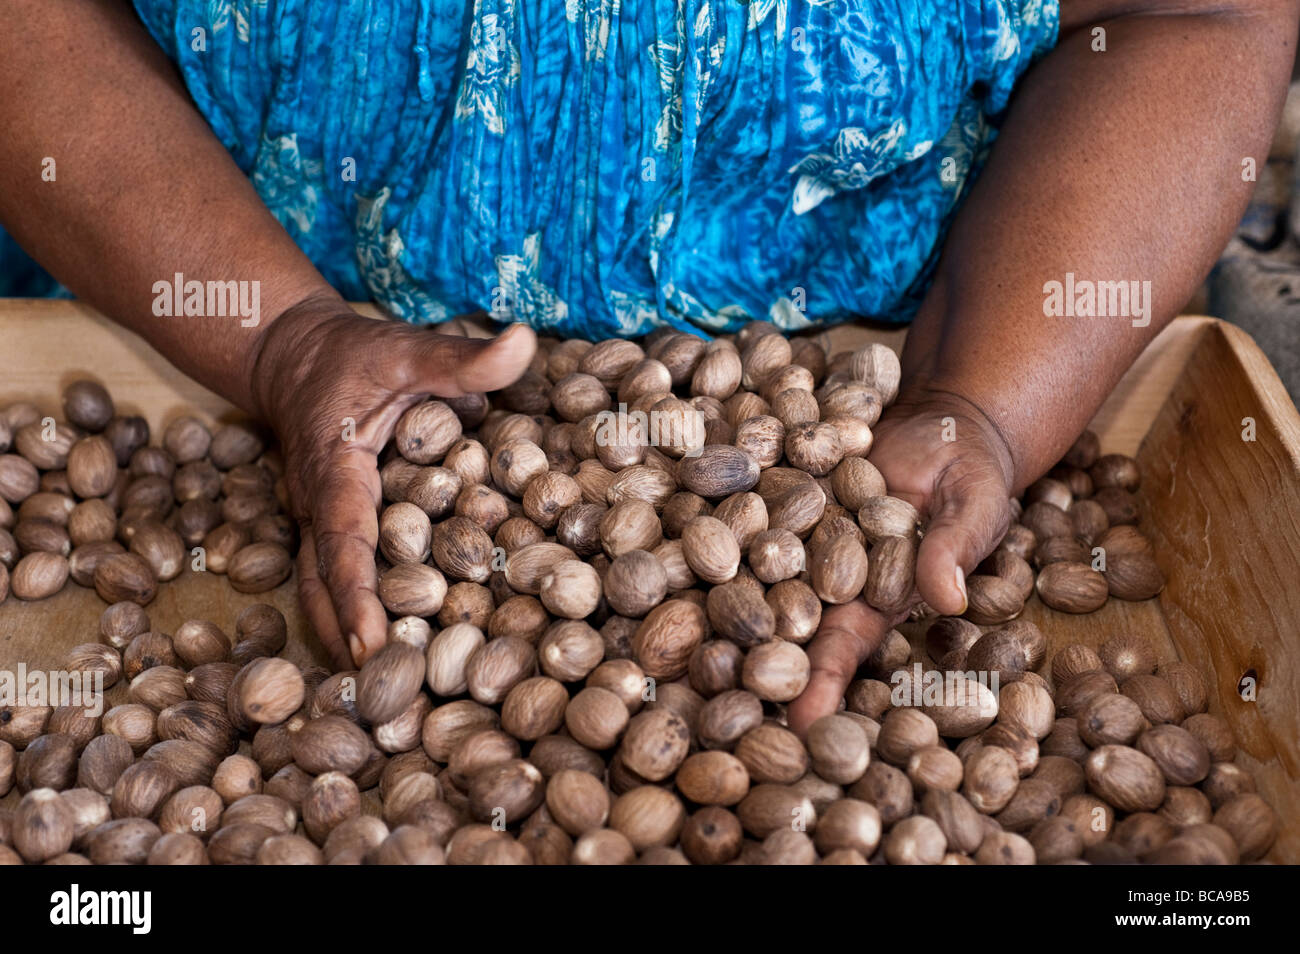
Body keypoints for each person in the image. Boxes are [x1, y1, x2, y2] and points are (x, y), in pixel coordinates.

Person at [0, 0, 1295, 734]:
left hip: (912, 342)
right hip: (200, 295)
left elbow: (1196, 17)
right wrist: (280, 334)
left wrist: (986, 405)